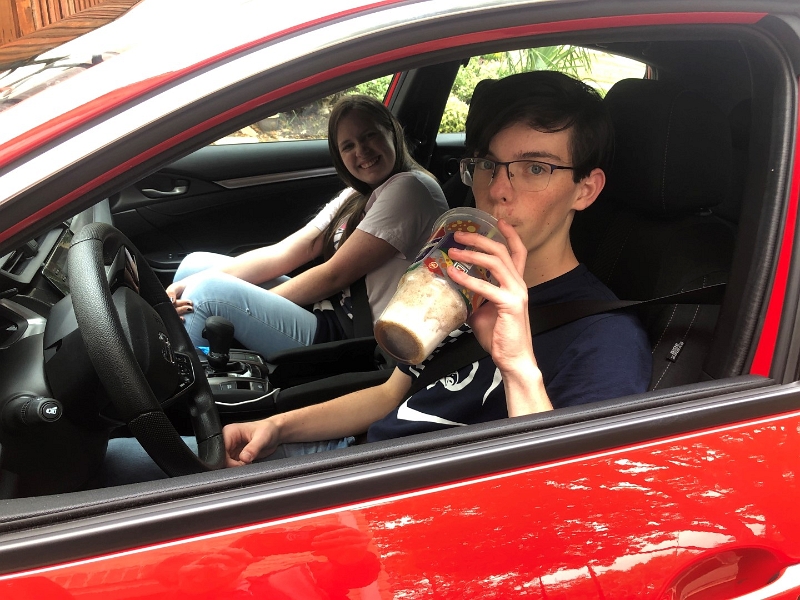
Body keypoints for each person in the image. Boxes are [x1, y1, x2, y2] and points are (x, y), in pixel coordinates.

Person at [222, 71, 652, 466]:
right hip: (358, 457)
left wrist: (517, 366)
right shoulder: (461, 280)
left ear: (585, 189)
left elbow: (569, 501)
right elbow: (389, 396)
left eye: (535, 168)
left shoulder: (605, 341)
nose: (498, 189)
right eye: (488, 164)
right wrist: (276, 427)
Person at [166, 95, 448, 357]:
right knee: (195, 267)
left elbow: (333, 276)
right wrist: (181, 286)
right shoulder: (357, 195)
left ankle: (183, 387)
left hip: (356, 334)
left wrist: (246, 308)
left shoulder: (411, 189)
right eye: (348, 146)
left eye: (369, 135)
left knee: (207, 294)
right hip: (330, 310)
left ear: (392, 131)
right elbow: (286, 251)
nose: (361, 151)